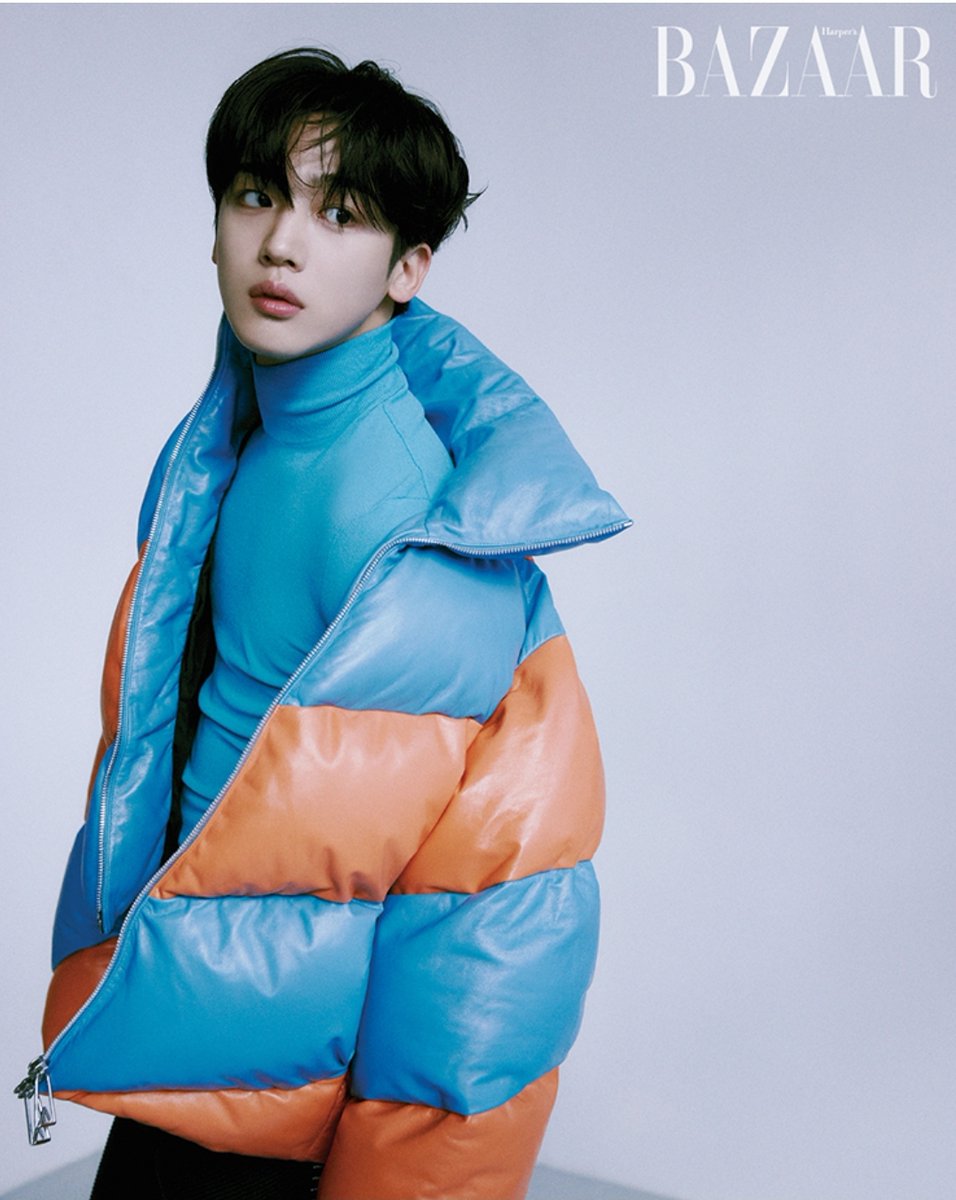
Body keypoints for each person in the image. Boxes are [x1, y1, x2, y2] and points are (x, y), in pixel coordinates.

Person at [18, 47, 629, 1200]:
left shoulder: (408, 520)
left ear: (407, 267)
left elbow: (478, 905)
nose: (282, 245)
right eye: (258, 196)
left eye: (338, 214)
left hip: (285, 1066)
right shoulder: (238, 430)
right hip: (203, 992)